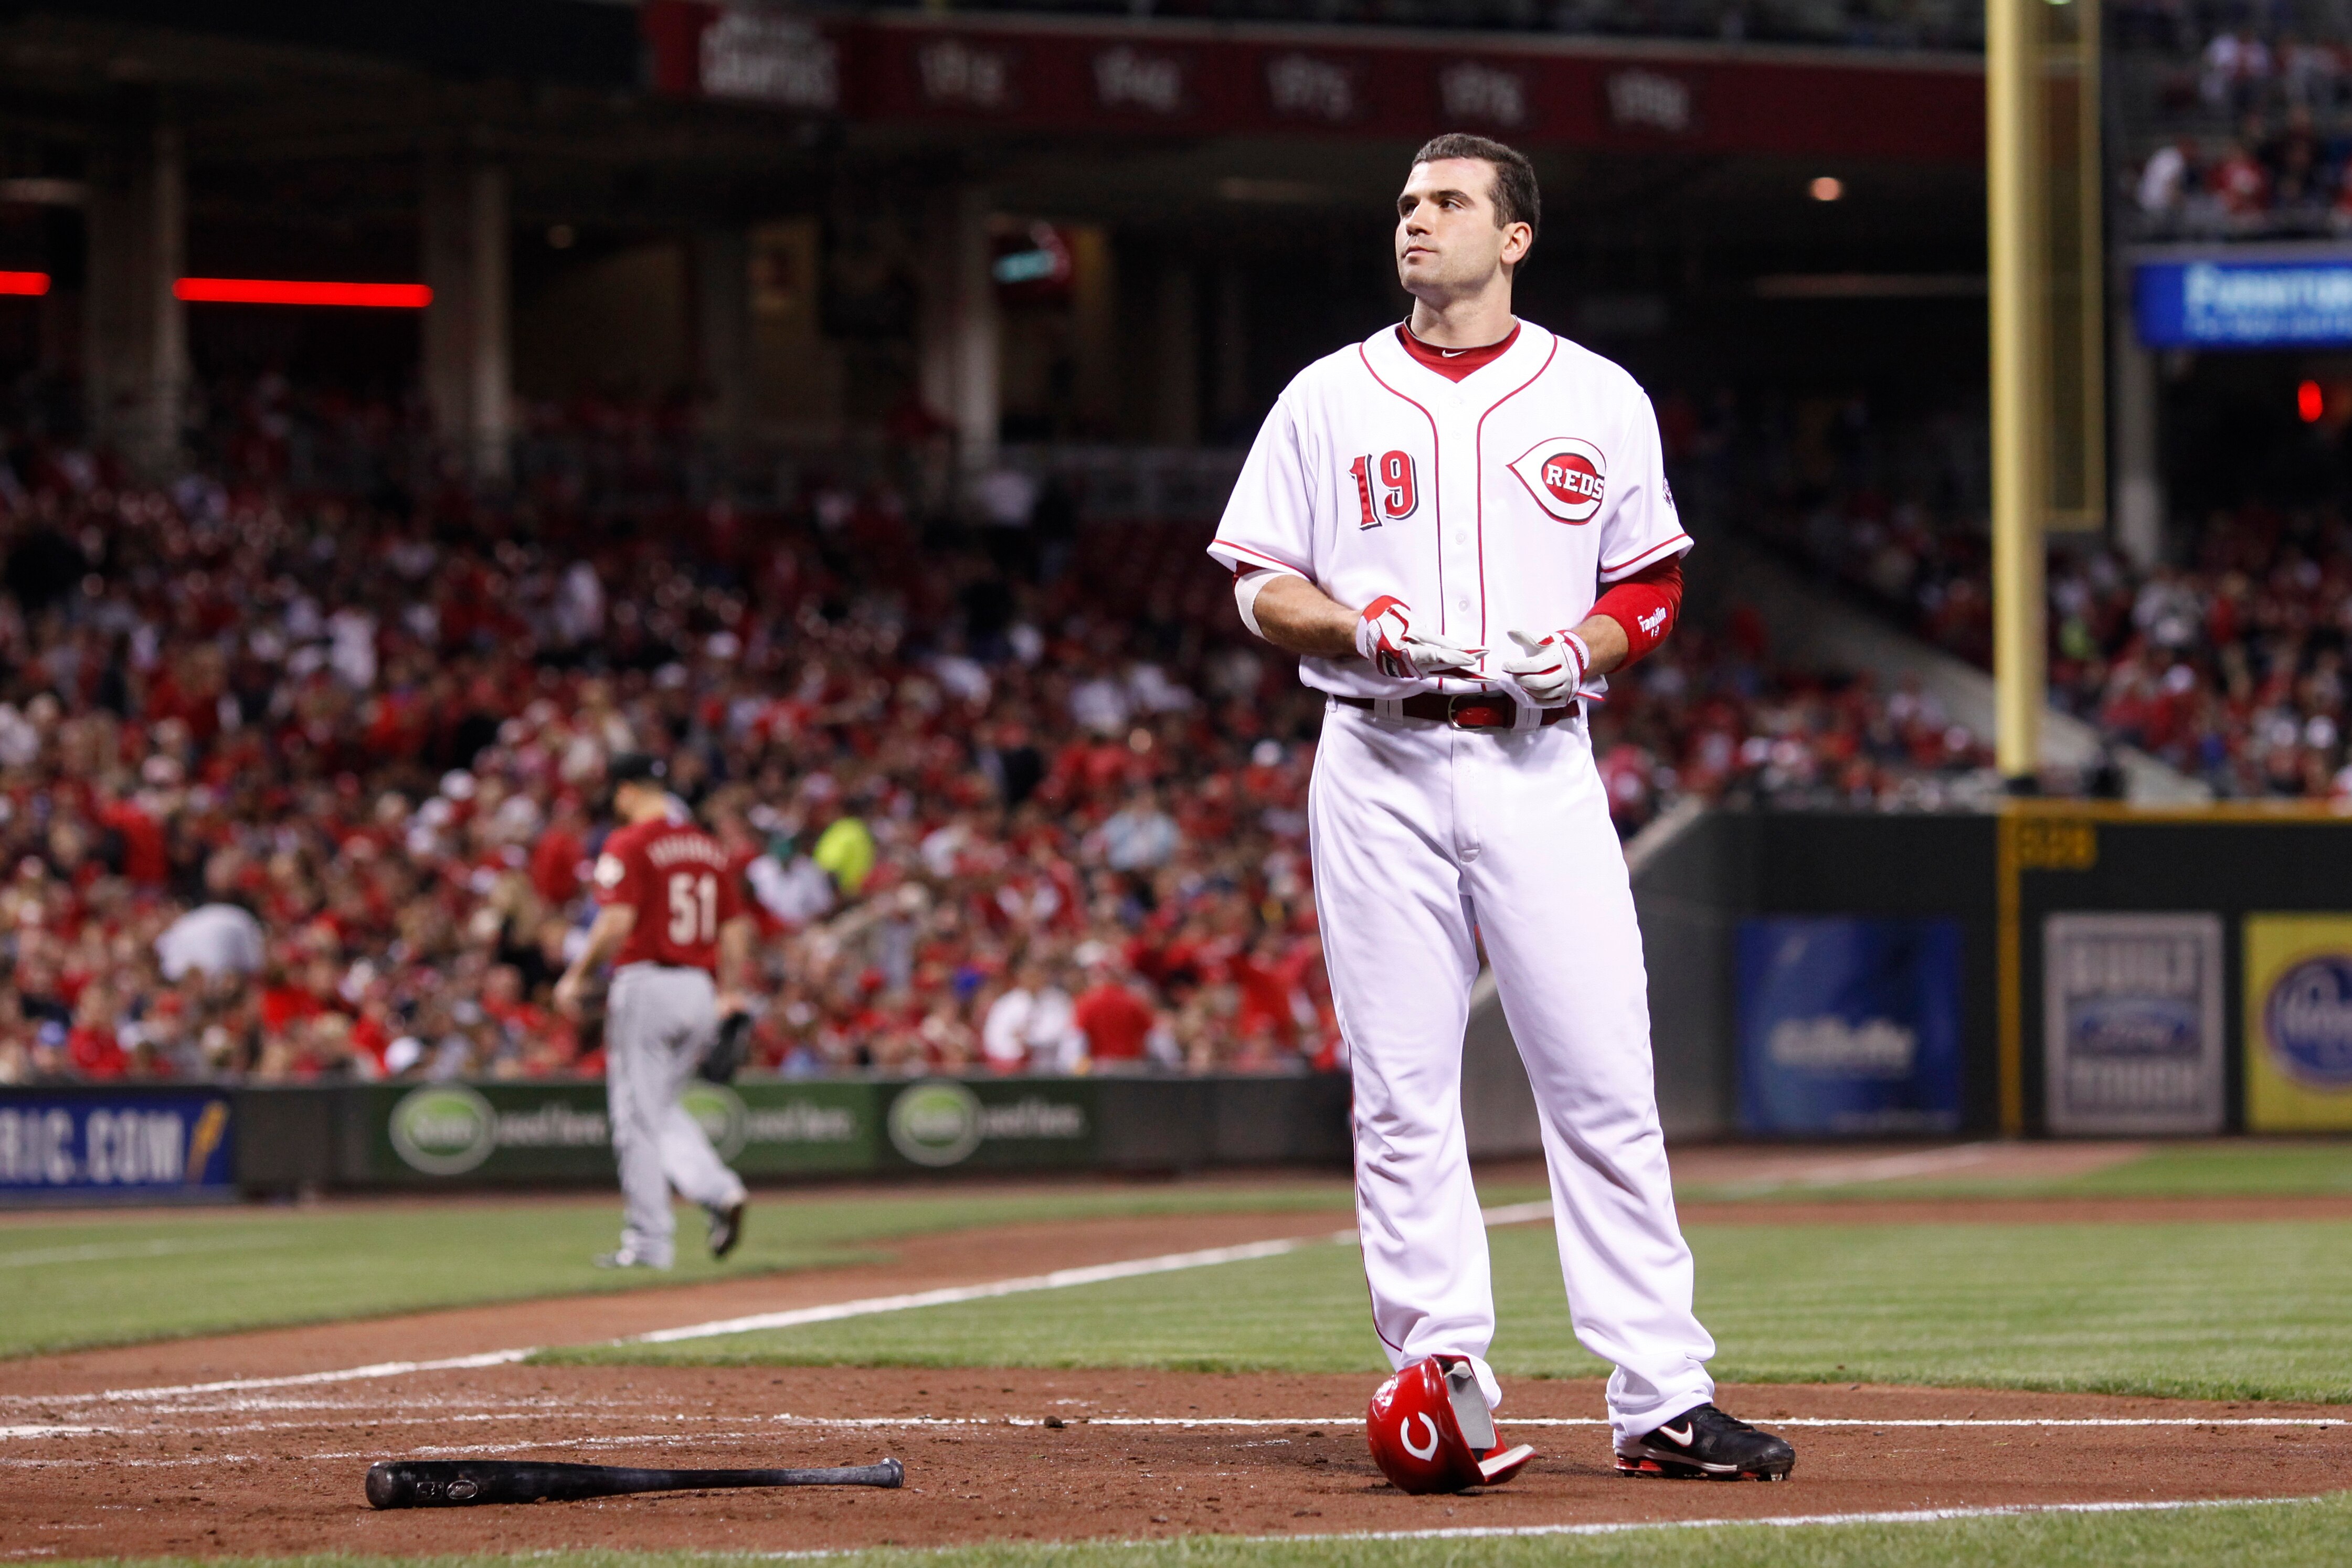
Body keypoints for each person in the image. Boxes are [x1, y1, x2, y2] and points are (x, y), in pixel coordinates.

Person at [1206, 133, 1794, 1484]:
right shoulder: (1325, 395)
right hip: (1375, 756)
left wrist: (1585, 648)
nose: (1417, 221)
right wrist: (1356, 625)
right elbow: (1254, 583)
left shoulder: (1595, 394)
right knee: (1403, 1088)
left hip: (1540, 760)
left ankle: (1662, 1397)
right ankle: (1440, 1378)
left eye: (1450, 202)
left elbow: (1646, 584)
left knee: (1601, 1081)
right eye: (1408, 202)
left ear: (1513, 236)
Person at [553, 754, 752, 1269]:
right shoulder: (708, 847)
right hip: (700, 988)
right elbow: (733, 928)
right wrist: (729, 990)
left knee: (635, 1119)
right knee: (659, 1108)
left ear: (626, 792)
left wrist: (576, 975)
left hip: (648, 982)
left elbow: (617, 923)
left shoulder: (629, 842)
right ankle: (717, 1190)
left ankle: (650, 1243)